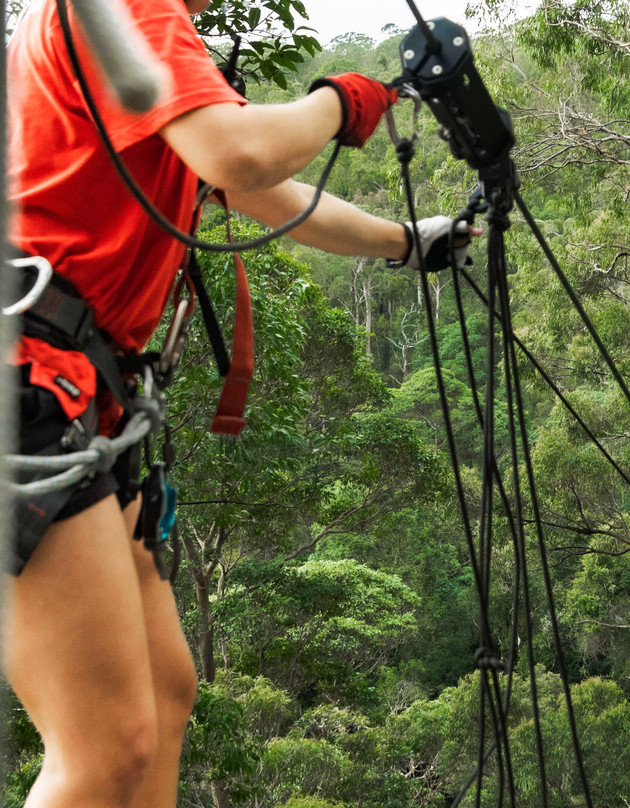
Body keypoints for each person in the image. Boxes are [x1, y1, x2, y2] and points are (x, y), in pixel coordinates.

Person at [4, 0, 477, 804]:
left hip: (88, 399)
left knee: (165, 691)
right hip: (34, 380)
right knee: (103, 746)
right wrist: (345, 98)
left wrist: (406, 240)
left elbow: (275, 198)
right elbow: (238, 156)